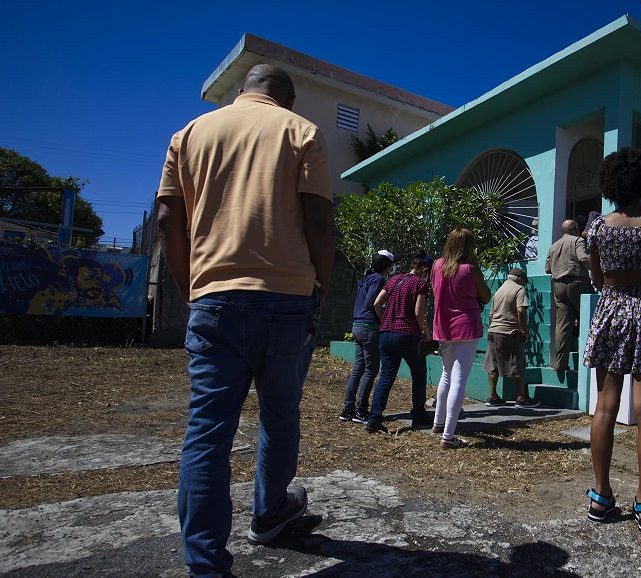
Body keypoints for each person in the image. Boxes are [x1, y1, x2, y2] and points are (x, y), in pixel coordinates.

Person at [156, 64, 333, 578]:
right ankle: (269, 513)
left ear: (241, 92)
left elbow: (168, 220)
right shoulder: (301, 131)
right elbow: (318, 220)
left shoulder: (189, 134)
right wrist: (318, 287)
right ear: (288, 98)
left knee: (207, 432)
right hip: (285, 299)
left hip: (213, 299)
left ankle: (207, 566)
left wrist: (191, 287)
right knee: (279, 420)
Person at [581, 147, 641, 536]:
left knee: (604, 408)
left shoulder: (598, 227)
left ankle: (601, 496)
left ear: (610, 183)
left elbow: (598, 279)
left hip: (611, 311)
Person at [431, 228, 491, 448]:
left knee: (446, 375)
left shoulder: (437, 265)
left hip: (443, 327)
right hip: (466, 326)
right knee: (459, 380)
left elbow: (435, 290)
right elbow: (486, 296)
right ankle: (448, 436)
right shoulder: (470, 269)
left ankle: (438, 423)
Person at [364, 251, 435, 433]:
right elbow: (419, 312)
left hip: (386, 334)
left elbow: (377, 303)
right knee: (419, 374)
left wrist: (385, 321)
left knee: (386, 377)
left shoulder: (394, 279)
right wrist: (427, 335)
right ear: (425, 270)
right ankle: (418, 415)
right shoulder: (420, 284)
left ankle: (374, 418)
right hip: (408, 335)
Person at [341, 250, 394, 424]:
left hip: (357, 325)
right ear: (388, 266)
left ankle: (347, 409)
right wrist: (384, 319)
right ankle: (360, 411)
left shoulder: (365, 278)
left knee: (358, 368)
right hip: (369, 327)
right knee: (371, 370)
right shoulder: (379, 280)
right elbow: (372, 302)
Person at [484, 268, 536, 407]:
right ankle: (521, 398)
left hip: (493, 331)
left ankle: (493, 396)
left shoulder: (499, 291)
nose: (524, 284)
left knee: (493, 365)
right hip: (509, 332)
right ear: (519, 279)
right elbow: (520, 310)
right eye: (524, 281)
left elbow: (491, 315)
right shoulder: (519, 289)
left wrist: (493, 328)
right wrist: (524, 330)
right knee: (517, 363)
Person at [545, 219, 591, 371]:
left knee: (562, 325)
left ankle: (559, 364)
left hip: (557, 285)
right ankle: (588, 360)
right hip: (577, 282)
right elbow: (583, 258)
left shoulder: (553, 246)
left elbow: (547, 269)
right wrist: (598, 264)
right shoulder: (578, 240)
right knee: (588, 319)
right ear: (576, 229)